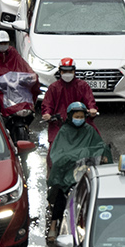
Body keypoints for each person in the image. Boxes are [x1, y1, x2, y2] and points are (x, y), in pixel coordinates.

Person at [46, 102, 111, 239]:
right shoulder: (64, 132)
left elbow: (99, 146)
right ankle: (53, 225)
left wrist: (101, 154)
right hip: (68, 171)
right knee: (60, 193)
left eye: (82, 116)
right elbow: (58, 153)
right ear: (70, 116)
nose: (79, 119)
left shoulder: (89, 130)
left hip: (85, 169)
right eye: (77, 116)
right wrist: (71, 158)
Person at [0, 29, 41, 122]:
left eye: (5, 43)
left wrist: (31, 77)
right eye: (1, 43)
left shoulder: (12, 52)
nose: (3, 45)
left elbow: (22, 66)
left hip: (12, 85)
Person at [40, 58, 99, 143]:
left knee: (95, 144)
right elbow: (47, 104)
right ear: (60, 72)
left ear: (74, 71)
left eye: (70, 71)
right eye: (64, 72)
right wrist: (47, 114)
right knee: (54, 149)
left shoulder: (82, 86)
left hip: (81, 122)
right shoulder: (54, 88)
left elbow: (89, 100)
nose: (67, 74)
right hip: (59, 124)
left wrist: (92, 109)